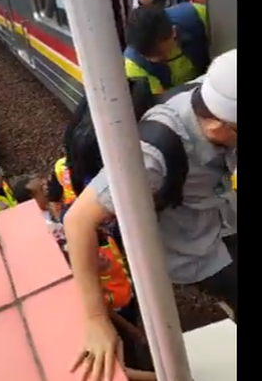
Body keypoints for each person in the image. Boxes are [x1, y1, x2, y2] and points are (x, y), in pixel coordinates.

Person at [66, 50, 237, 381]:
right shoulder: (150, 157)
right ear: (219, 127)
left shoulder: (214, 91)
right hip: (192, 249)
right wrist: (96, 319)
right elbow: (78, 220)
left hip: (221, 214)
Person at [123, 5, 200, 95]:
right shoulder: (133, 64)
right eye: (146, 55)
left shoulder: (197, 16)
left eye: (160, 53)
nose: (154, 59)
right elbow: (160, 101)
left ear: (173, 32)